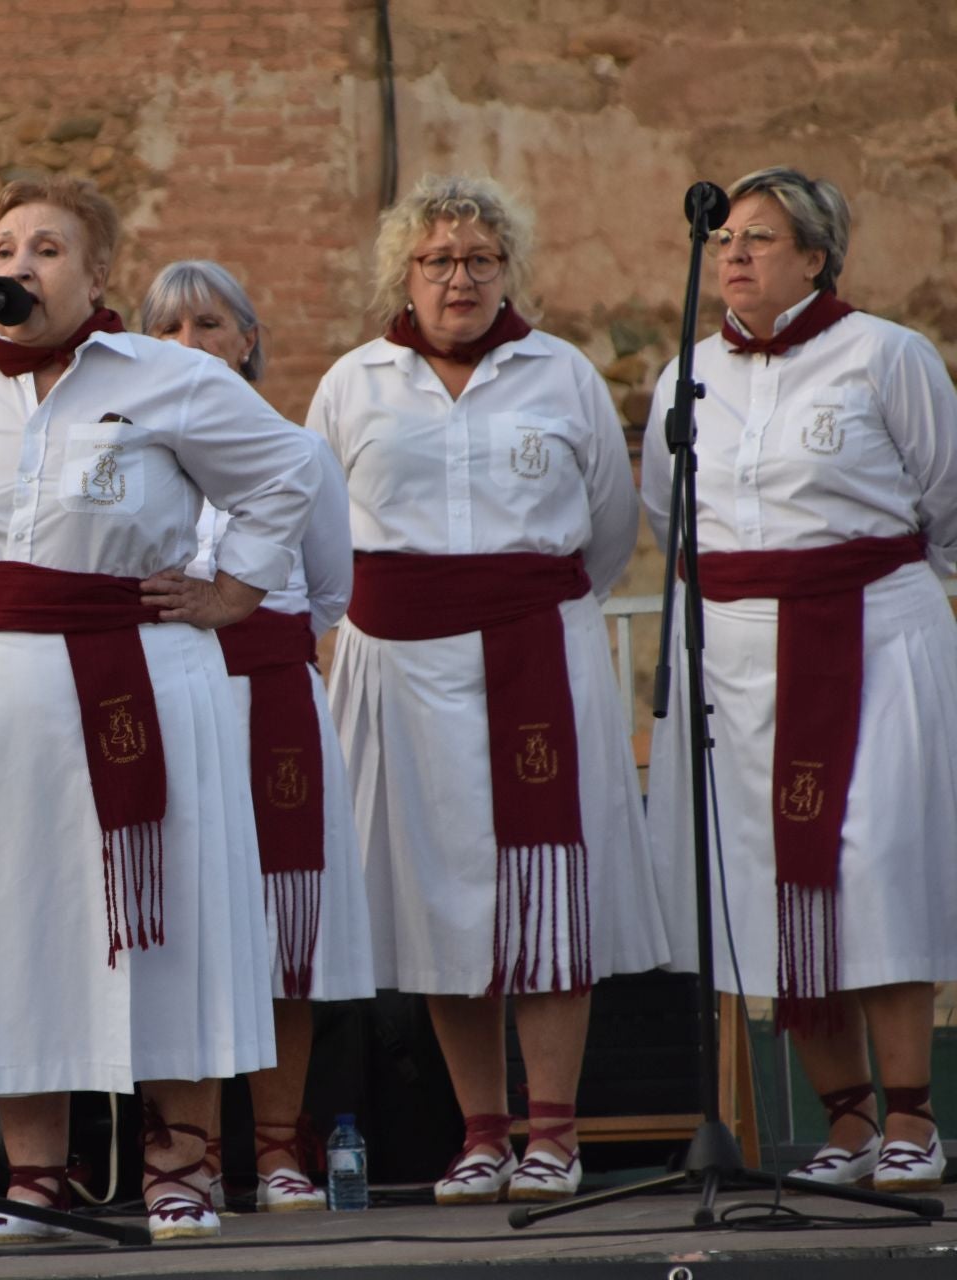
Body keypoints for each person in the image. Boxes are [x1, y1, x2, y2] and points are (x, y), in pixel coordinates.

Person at [0, 176, 319, 1242]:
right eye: (4, 246)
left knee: (160, 920)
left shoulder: (163, 377)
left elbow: (288, 470)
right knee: (18, 926)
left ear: (99, 274)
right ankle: (36, 1174)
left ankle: (180, 1159)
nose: (19, 263)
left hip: (137, 678)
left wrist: (236, 586)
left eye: (48, 248)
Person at [310, 174, 669, 1205]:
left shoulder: (561, 375)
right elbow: (320, 530)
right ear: (404, 274)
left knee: (544, 893)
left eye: (478, 259)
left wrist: (509, 604)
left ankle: (553, 1133)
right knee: (438, 900)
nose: (458, 277)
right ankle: (479, 1132)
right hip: (400, 665)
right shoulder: (353, 383)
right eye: (437, 260)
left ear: (508, 270)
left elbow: (606, 530)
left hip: (535, 653)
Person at [644, 166, 956, 1192]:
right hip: (736, 654)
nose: (734, 253)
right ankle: (846, 1120)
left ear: (816, 257)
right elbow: (666, 515)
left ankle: (913, 1115)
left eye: (762, 238)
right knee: (779, 883)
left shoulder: (885, 355)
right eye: (727, 236)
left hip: (870, 637)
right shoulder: (687, 375)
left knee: (872, 864)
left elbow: (946, 500)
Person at [140, 259, 373, 1212]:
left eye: (209, 325)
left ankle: (278, 1148)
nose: (189, 345)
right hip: (163, 699)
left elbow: (327, 591)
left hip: (268, 694)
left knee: (287, 930)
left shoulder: (295, 450)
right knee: (179, 930)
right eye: (169, 329)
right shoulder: (132, 456)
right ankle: (176, 1157)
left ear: (248, 342)